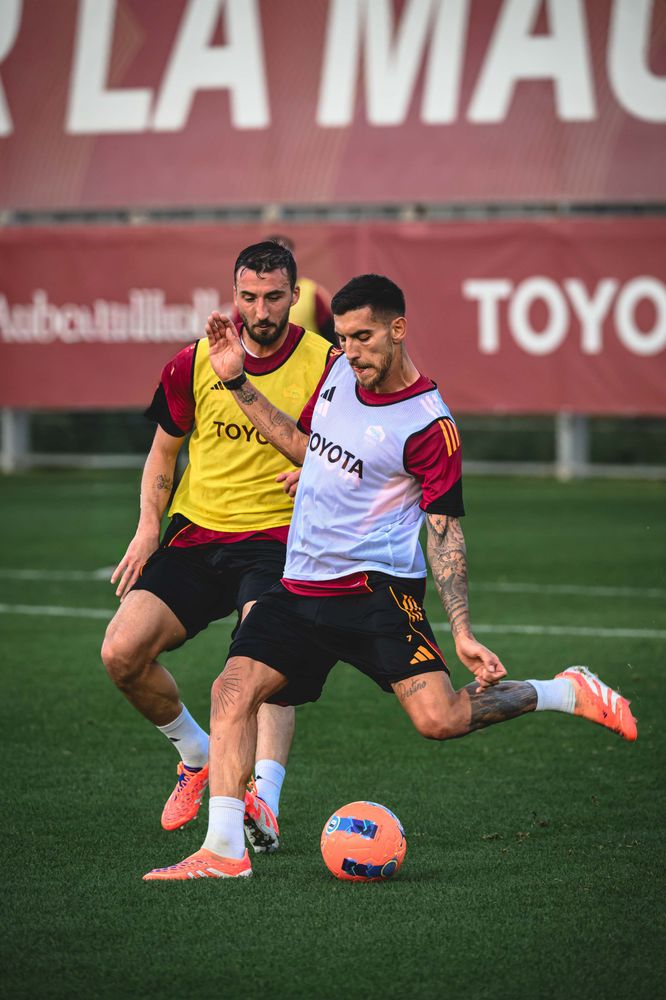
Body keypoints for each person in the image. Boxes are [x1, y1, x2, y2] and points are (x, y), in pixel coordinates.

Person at [143, 274, 637, 881]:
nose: (351, 351)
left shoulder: (430, 424)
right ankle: (224, 852)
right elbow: (305, 444)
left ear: (398, 330)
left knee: (441, 720)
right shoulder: (336, 375)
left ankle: (564, 690)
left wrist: (461, 631)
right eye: (344, 337)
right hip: (298, 587)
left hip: (377, 595)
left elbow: (446, 533)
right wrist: (239, 383)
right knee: (231, 692)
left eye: (364, 337)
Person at [101, 241, 333, 852]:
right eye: (249, 297)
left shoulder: (325, 365)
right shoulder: (192, 362)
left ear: (295, 295)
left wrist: (314, 470)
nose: (261, 310)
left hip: (280, 540)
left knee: (261, 668)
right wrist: (149, 524)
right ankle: (195, 753)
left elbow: (338, 458)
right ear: (234, 295)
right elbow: (163, 452)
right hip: (198, 533)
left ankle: (266, 801)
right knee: (122, 653)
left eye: (274, 297)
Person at [231, 235, 336, 345]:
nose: (261, 313)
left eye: (274, 298)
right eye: (250, 299)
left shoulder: (313, 293)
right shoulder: (244, 297)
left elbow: (330, 336)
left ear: (295, 295)